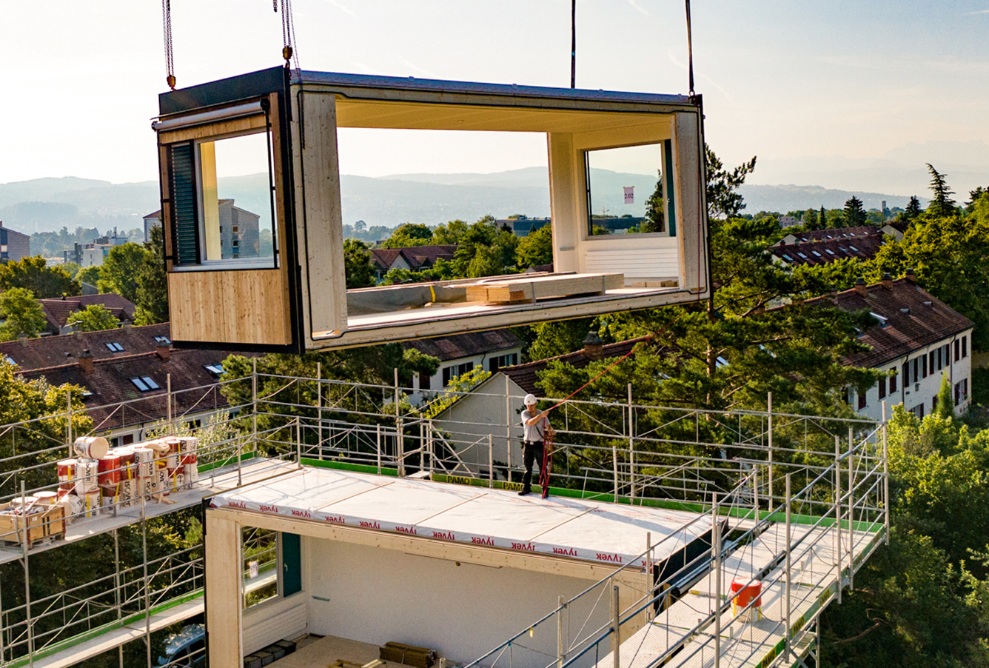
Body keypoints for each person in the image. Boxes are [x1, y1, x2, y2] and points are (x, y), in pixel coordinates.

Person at [519, 394, 553, 496]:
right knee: (527, 467)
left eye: (532, 405)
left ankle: (545, 488)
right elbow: (530, 422)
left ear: (536, 404)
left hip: (539, 444)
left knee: (542, 467)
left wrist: (550, 430)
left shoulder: (542, 415)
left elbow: (548, 426)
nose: (530, 407)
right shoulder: (525, 413)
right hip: (528, 444)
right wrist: (541, 416)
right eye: (528, 406)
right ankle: (526, 487)